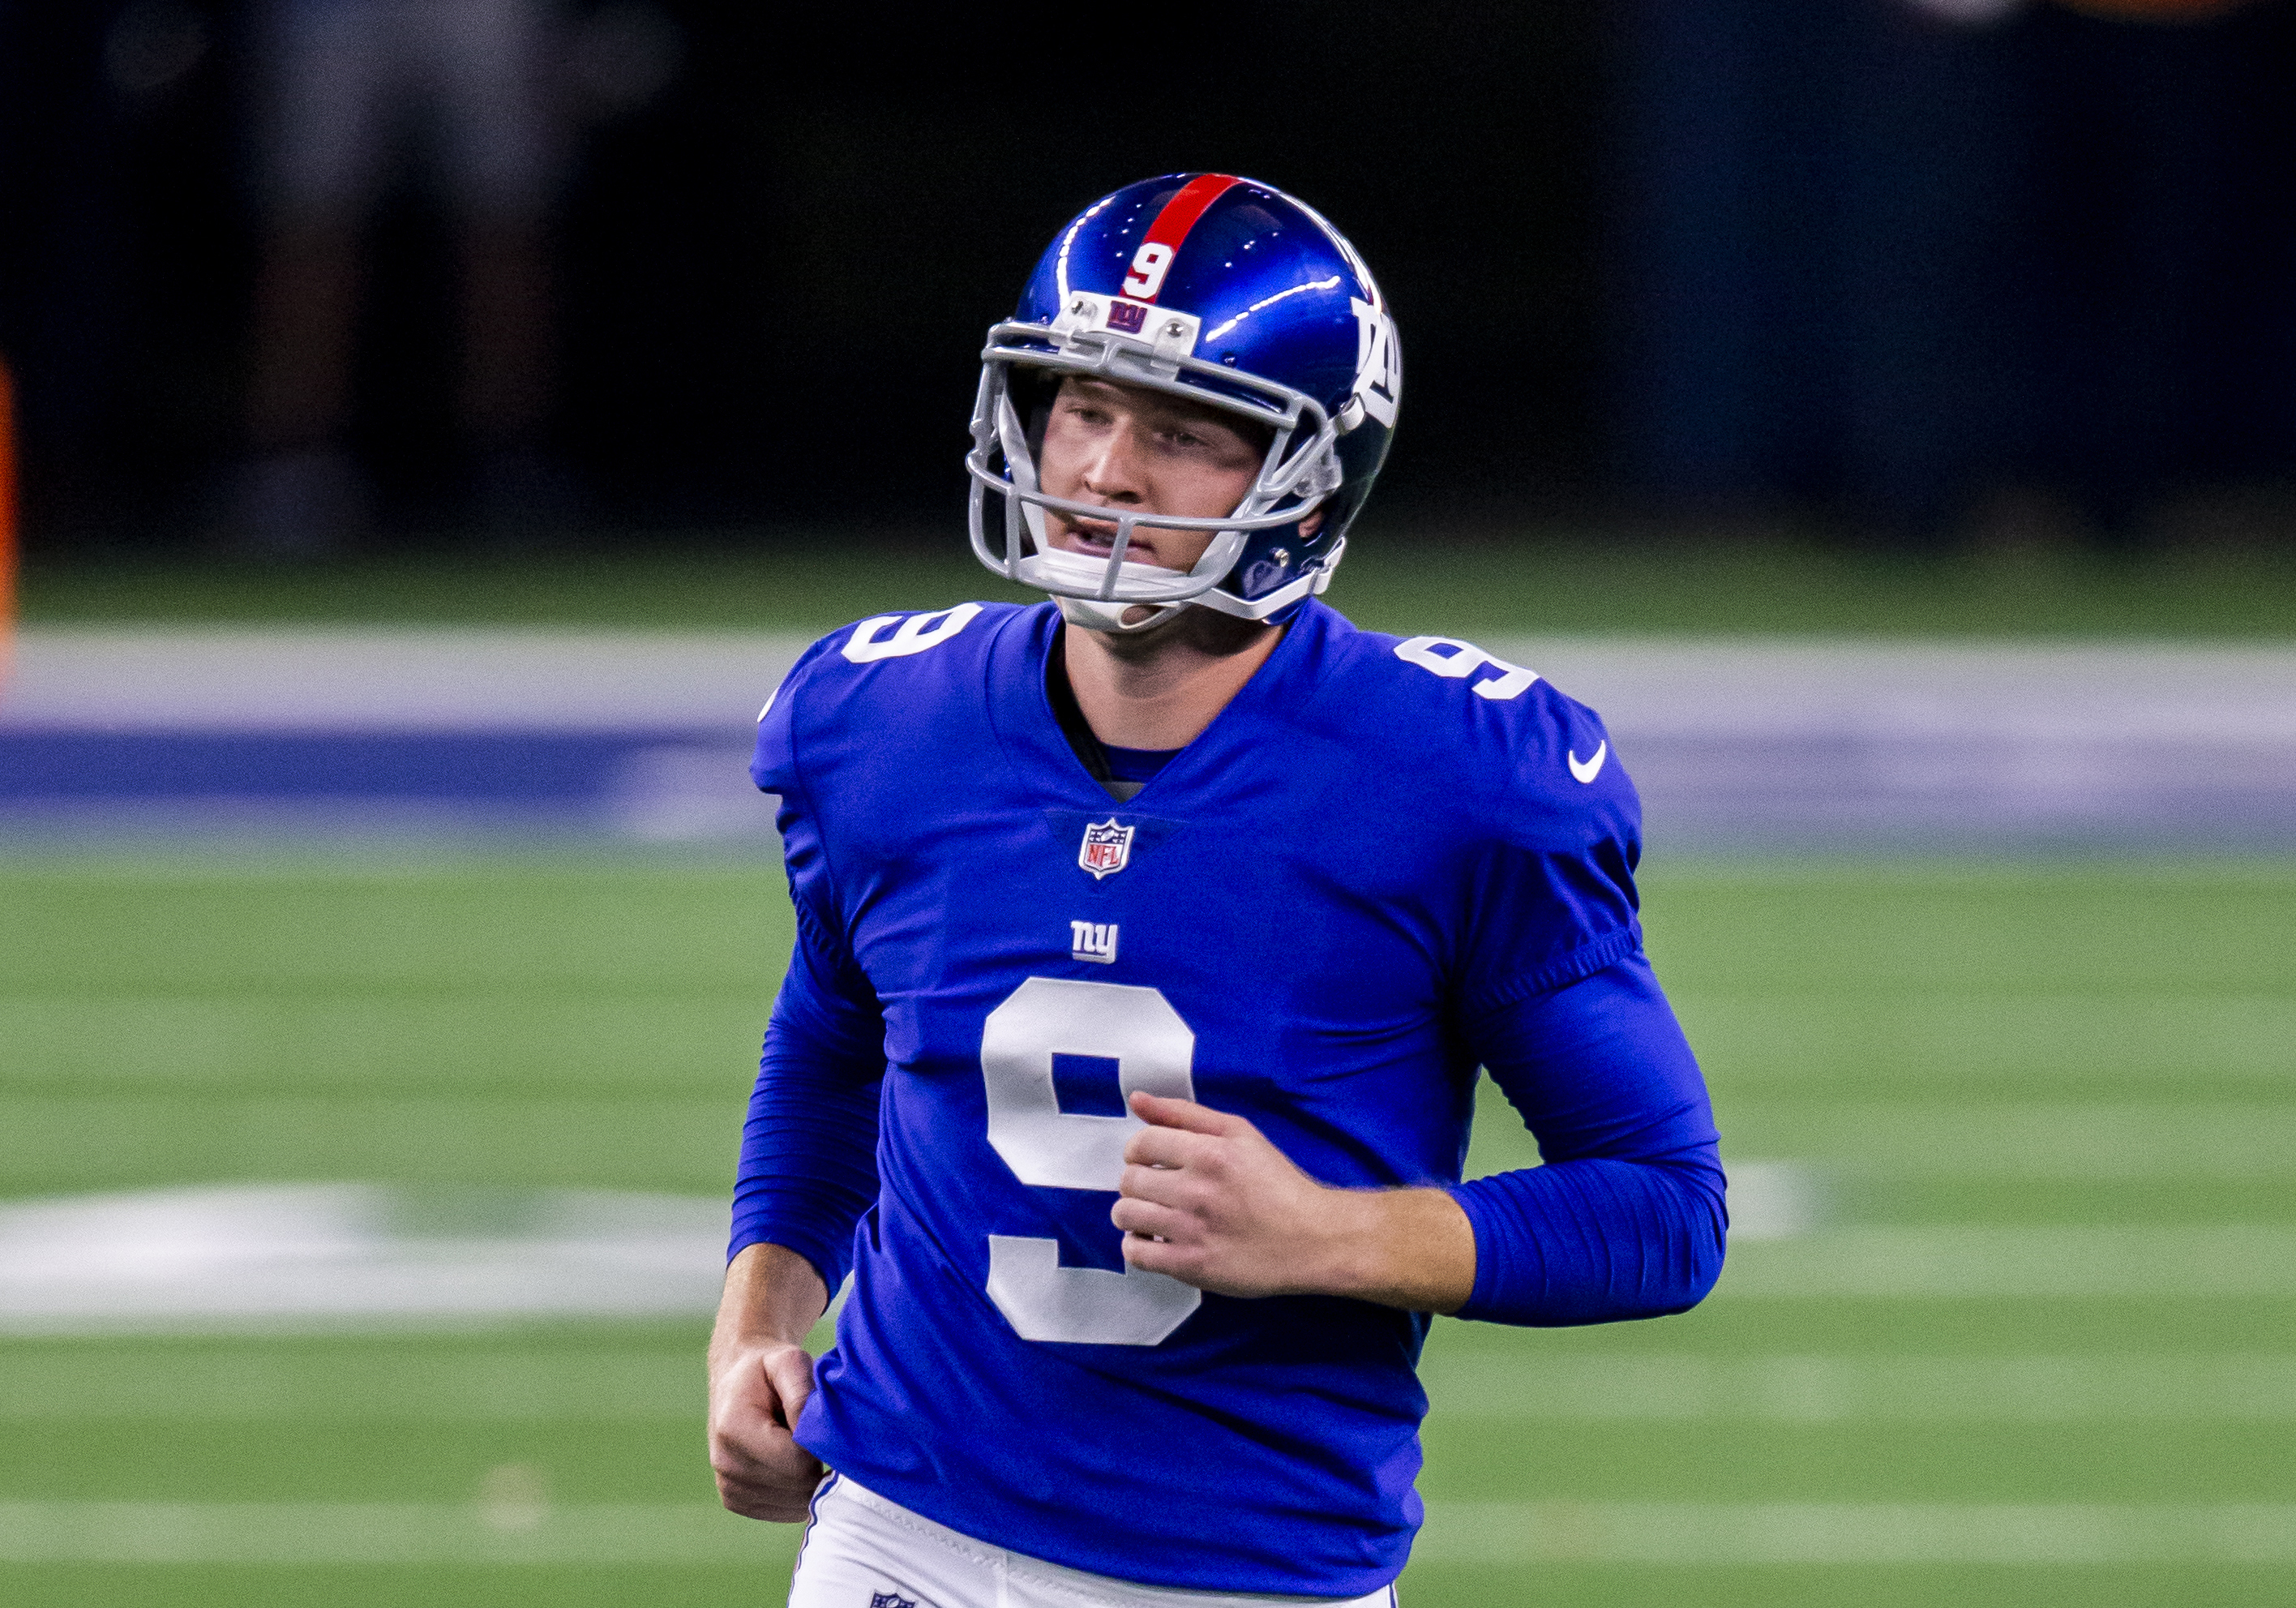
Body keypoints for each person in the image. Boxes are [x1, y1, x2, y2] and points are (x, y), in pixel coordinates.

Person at [708, 173, 1726, 1606]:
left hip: (1240, 1569)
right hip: (897, 1528)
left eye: (1180, 433)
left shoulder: (1457, 779)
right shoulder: (878, 721)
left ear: (1308, 480)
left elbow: (1664, 1209)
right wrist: (761, 1310)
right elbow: (835, 1040)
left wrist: (1330, 1233)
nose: (1106, 470)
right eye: (1082, 407)